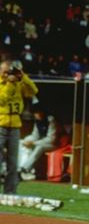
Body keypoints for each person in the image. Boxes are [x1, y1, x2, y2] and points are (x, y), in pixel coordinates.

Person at [0, 60, 39, 193]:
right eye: (5, 72)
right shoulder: (3, 84)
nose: (7, 74)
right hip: (0, 124)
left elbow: (33, 90)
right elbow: (3, 98)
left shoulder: (18, 83)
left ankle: (10, 191)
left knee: (13, 162)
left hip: (15, 125)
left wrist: (23, 77)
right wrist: (10, 83)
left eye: (9, 72)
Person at [19, 104, 59, 181]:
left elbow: (51, 139)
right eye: (35, 113)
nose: (37, 114)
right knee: (24, 141)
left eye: (39, 112)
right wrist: (28, 141)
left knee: (39, 147)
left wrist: (33, 143)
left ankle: (25, 169)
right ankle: (20, 167)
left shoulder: (50, 120)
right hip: (42, 142)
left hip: (55, 144)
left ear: (43, 112)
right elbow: (35, 135)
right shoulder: (37, 121)